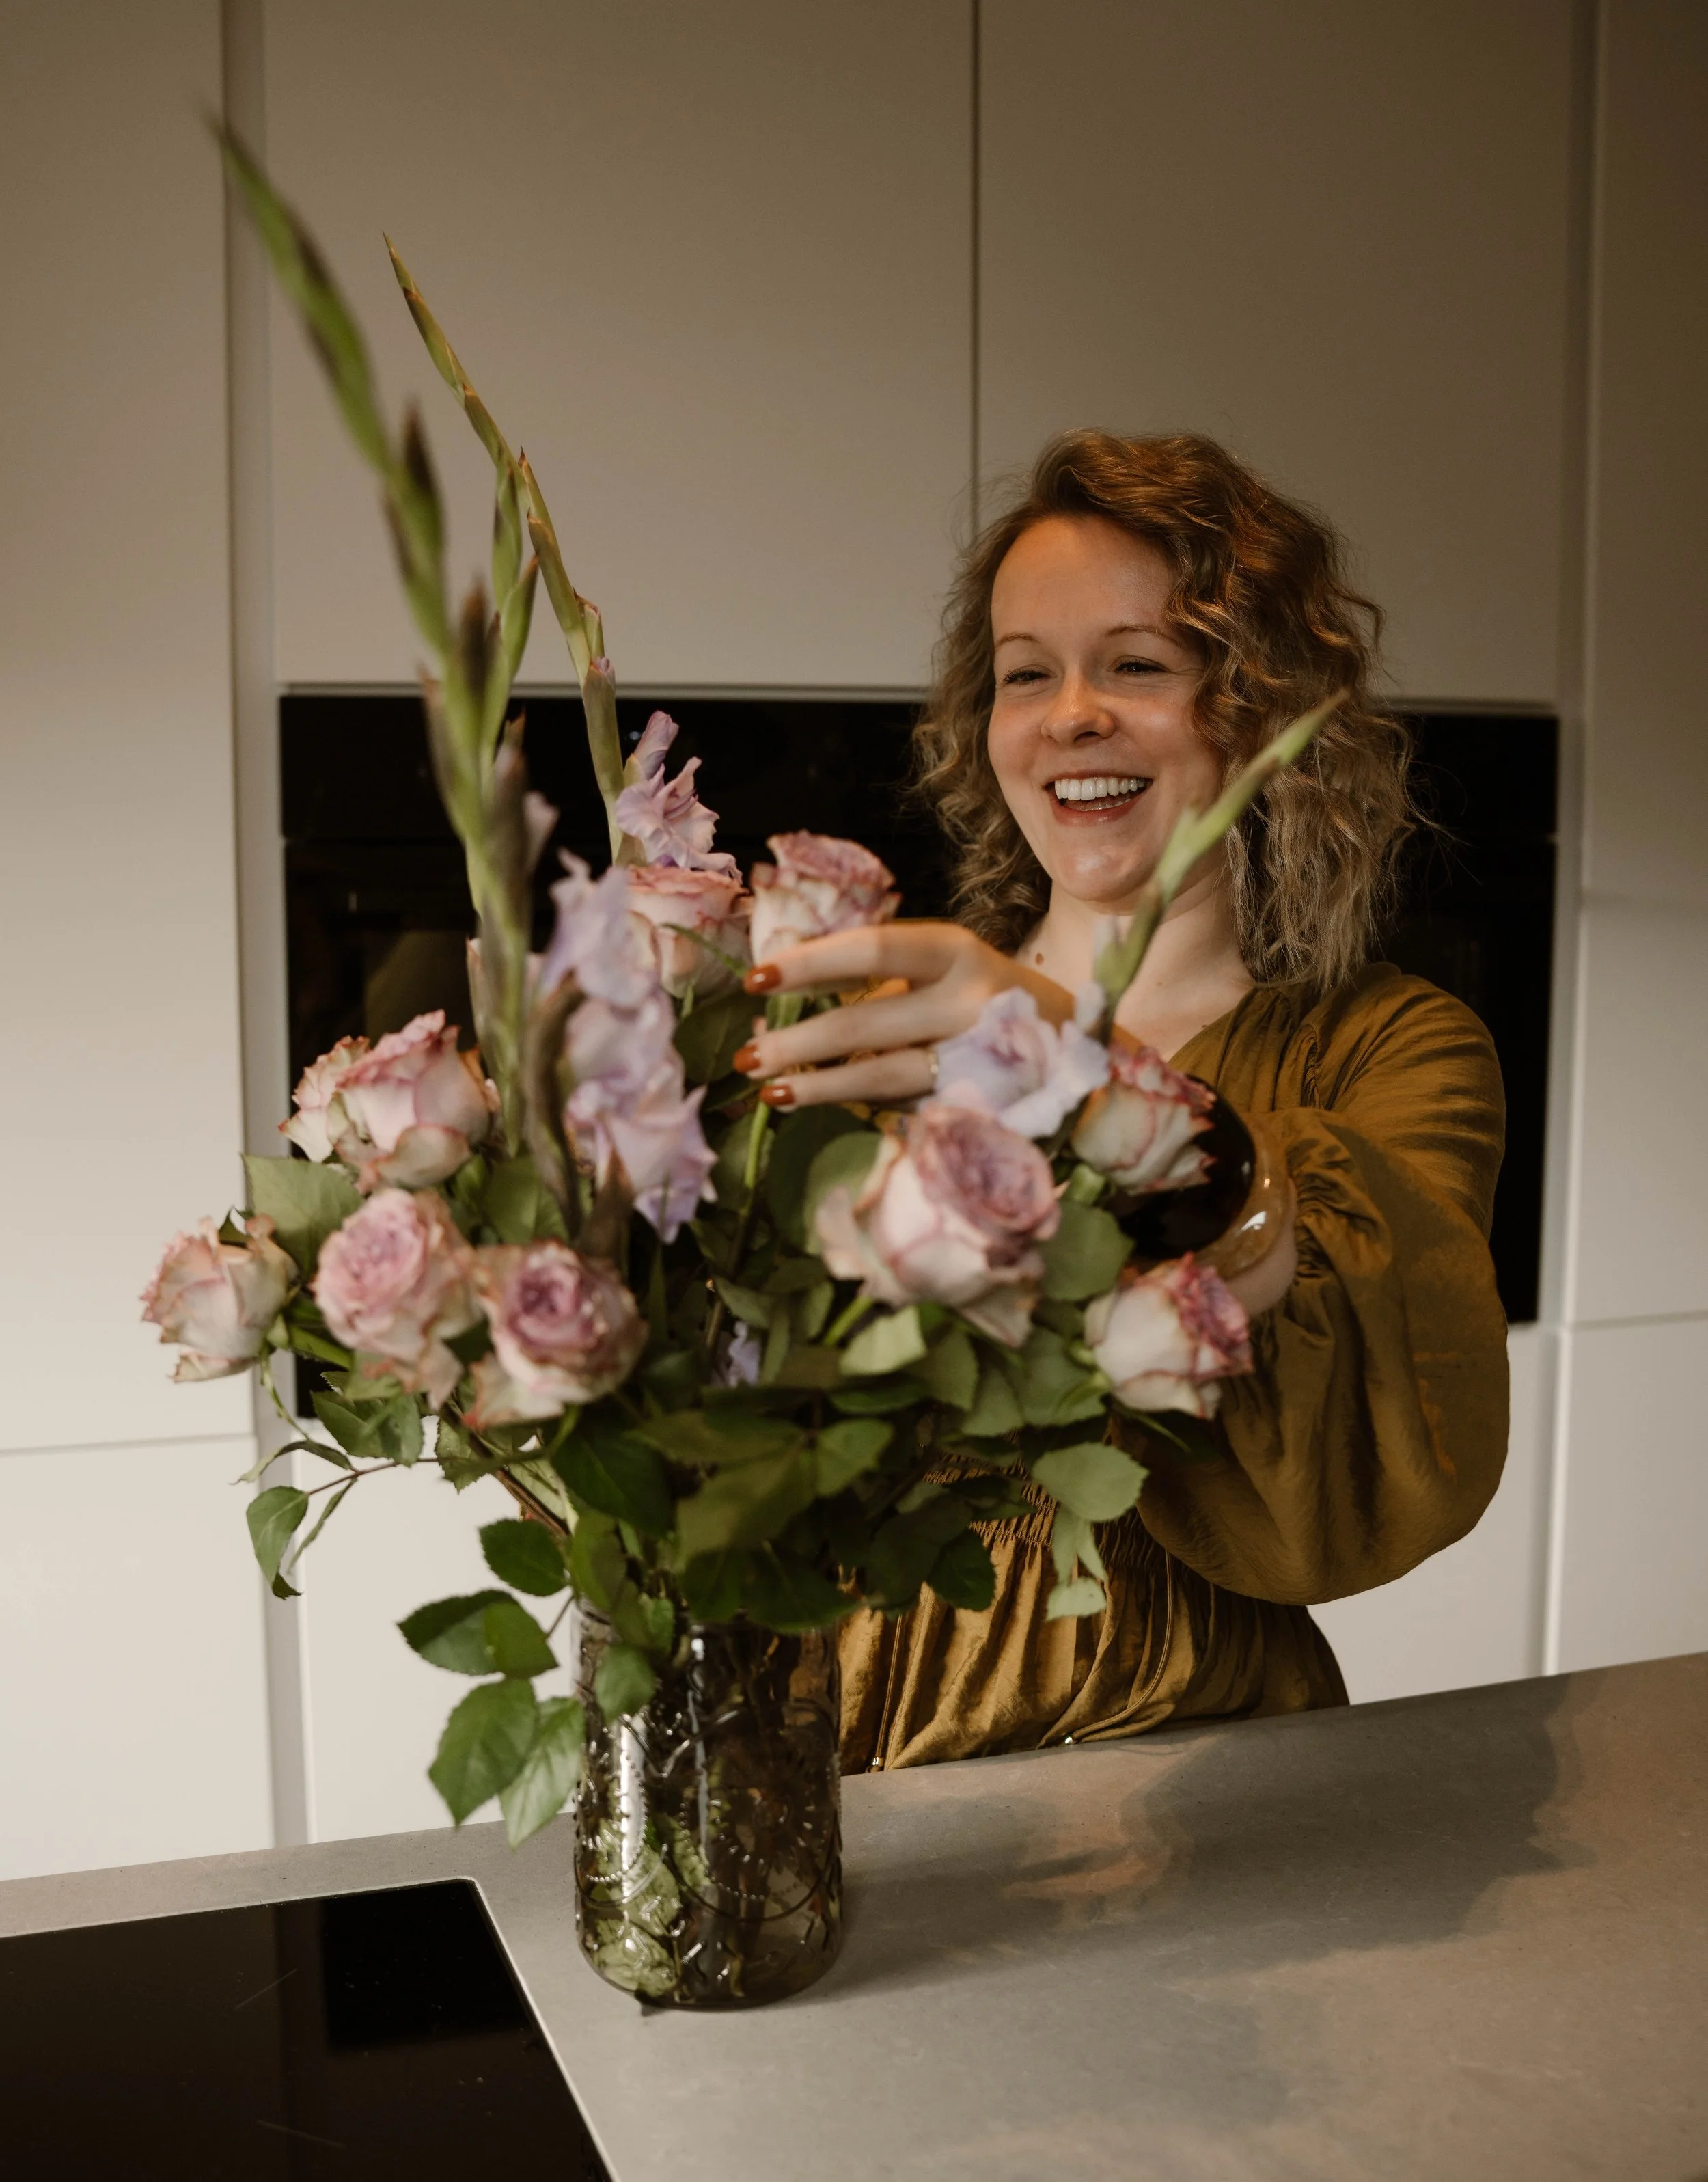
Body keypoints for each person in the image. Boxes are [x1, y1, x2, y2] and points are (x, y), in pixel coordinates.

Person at [734, 430, 1509, 1773]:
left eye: (1136, 665)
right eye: (1024, 672)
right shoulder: (877, 1016)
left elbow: (1375, 1369)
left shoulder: (1386, 1049)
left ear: (1262, 710)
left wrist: (1074, 1080)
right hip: (846, 1735)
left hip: (1193, 1752)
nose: (1069, 713)